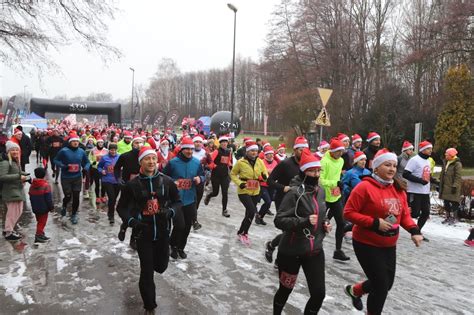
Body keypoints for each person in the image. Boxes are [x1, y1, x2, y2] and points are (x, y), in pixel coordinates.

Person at [343, 148, 424, 314]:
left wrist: (414, 230)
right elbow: (348, 213)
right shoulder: (364, 187)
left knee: (387, 284)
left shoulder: (398, 188)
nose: (392, 169)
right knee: (380, 286)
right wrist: (374, 223)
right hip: (366, 243)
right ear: (377, 167)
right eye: (388, 165)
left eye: (394, 165)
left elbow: (404, 216)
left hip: (389, 244)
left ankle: (355, 291)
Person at [117, 146, 181, 314]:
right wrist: (132, 222)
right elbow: (121, 208)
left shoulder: (167, 182)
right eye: (147, 158)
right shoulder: (132, 185)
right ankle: (149, 306)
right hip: (143, 233)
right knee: (146, 272)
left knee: (160, 267)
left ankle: (153, 264)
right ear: (141, 162)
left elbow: (177, 201)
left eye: (153, 158)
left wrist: (170, 212)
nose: (151, 161)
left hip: (162, 233)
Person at [273, 148, 331, 314]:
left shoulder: (321, 191)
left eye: (318, 170)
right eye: (312, 171)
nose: (316, 174)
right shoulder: (294, 193)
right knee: (285, 290)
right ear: (304, 172)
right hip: (291, 251)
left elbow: (321, 214)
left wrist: (325, 223)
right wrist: (303, 222)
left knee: (319, 294)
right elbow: (279, 220)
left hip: (315, 250)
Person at [265, 136, 307, 263]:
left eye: (305, 150)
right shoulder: (285, 164)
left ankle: (272, 245)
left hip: (300, 201)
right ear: (294, 150)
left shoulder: (307, 165)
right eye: (300, 150)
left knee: (294, 232)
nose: (303, 153)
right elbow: (270, 181)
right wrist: (283, 188)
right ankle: (279, 258)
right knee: (288, 231)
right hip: (283, 200)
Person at [163, 137, 205, 259]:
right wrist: (173, 182)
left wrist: (200, 179)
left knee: (187, 226)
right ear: (182, 150)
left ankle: (181, 247)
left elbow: (202, 175)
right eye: (187, 149)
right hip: (175, 200)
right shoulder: (173, 162)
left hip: (190, 199)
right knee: (179, 225)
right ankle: (173, 245)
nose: (189, 152)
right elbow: (164, 177)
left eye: (191, 149)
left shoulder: (196, 163)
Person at [230, 140, 268, 246]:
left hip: (256, 191)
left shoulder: (260, 161)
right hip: (244, 191)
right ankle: (244, 233)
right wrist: (240, 183)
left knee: (249, 213)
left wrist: (264, 177)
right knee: (252, 211)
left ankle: (241, 232)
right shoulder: (241, 162)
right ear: (247, 152)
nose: (254, 153)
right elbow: (232, 174)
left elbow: (264, 173)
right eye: (252, 151)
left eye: (256, 151)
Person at [320, 138, 350, 261]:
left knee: (341, 223)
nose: (340, 154)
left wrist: (340, 184)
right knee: (320, 225)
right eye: (338, 151)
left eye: (342, 151)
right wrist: (335, 182)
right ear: (332, 151)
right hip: (323, 197)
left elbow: (337, 177)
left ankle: (338, 250)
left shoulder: (341, 160)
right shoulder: (324, 161)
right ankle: (315, 246)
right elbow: (320, 181)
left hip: (335, 196)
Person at [53, 132, 90, 224]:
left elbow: (87, 162)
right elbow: (55, 160)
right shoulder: (64, 151)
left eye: (77, 141)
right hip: (66, 177)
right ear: (70, 142)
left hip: (77, 177)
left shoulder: (81, 151)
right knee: (68, 196)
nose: (75, 143)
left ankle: (74, 214)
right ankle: (64, 205)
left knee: (76, 197)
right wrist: (63, 166)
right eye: (73, 141)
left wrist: (85, 168)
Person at [115, 136, 144, 247]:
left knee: (138, 214)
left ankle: (133, 240)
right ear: (132, 144)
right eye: (136, 142)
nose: (139, 144)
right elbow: (117, 168)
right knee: (127, 210)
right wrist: (118, 178)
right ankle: (124, 226)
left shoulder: (145, 157)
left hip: (142, 189)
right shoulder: (125, 156)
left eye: (141, 142)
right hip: (127, 187)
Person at [403, 140, 435, 240]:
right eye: (429, 149)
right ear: (423, 150)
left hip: (425, 192)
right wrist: (420, 181)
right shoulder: (414, 160)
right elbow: (406, 174)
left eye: (431, 149)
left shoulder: (428, 161)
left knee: (426, 213)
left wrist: (435, 181)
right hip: (414, 191)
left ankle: (417, 232)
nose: (431, 151)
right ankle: (391, 219)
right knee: (414, 213)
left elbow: (427, 175)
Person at [0, 141, 29, 241]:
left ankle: (9, 229)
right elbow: (2, 176)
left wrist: (27, 175)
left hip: (16, 189)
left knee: (18, 211)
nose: (15, 151)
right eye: (13, 150)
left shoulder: (14, 161)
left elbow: (18, 171)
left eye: (17, 149)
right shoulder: (5, 162)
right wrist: (18, 176)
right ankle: (9, 233)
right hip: (10, 191)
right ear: (8, 151)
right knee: (13, 212)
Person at [204, 135, 233, 218]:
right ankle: (209, 195)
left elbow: (228, 162)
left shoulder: (228, 151)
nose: (224, 144)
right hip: (216, 175)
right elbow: (210, 160)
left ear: (227, 143)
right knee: (215, 193)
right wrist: (214, 166)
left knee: (225, 193)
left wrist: (231, 167)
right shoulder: (217, 151)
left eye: (225, 142)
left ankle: (224, 210)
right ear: (220, 143)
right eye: (222, 142)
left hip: (224, 175)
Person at [28, 167, 54, 243]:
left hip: (35, 207)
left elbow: (30, 195)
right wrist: (51, 207)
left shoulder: (32, 185)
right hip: (44, 208)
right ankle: (38, 235)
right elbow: (48, 199)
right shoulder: (45, 185)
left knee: (39, 221)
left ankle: (41, 233)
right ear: (44, 175)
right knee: (42, 222)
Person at [98, 143, 120, 225]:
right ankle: (111, 216)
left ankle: (110, 212)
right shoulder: (104, 158)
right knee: (112, 198)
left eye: (114, 150)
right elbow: (99, 166)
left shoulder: (119, 157)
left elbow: (124, 166)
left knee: (114, 199)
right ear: (109, 150)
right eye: (111, 150)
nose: (113, 151)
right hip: (107, 180)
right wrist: (101, 171)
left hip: (117, 181)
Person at [439, 148, 462, 225]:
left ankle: (455, 218)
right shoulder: (446, 162)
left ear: (451, 155)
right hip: (445, 186)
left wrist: (455, 186)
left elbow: (458, 176)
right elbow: (443, 173)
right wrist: (439, 182)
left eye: (447, 154)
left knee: (454, 203)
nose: (445, 155)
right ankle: (448, 217)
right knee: (446, 202)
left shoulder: (457, 164)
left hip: (452, 187)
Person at [256, 145, 278, 225]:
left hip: (271, 185)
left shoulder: (275, 162)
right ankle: (258, 215)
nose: (271, 155)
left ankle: (260, 217)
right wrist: (265, 174)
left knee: (270, 201)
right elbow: (257, 174)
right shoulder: (261, 162)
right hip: (262, 185)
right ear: (265, 155)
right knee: (268, 201)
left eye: (272, 154)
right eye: (269, 154)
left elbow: (277, 173)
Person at [89, 136, 108, 204]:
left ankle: (103, 196)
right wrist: (92, 162)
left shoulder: (106, 150)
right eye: (99, 142)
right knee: (97, 184)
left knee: (104, 184)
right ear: (96, 143)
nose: (100, 144)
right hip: (95, 168)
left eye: (101, 142)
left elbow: (108, 158)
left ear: (103, 143)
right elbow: (89, 158)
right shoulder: (93, 150)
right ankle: (97, 197)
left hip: (103, 169)